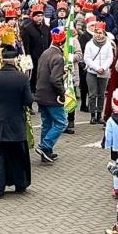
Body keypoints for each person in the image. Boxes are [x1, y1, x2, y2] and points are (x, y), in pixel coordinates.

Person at [0, 47, 33, 198]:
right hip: (16, 123)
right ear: (16, 59)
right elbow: (28, 100)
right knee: (18, 155)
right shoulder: (22, 78)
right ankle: (20, 184)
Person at [34, 27, 69, 164]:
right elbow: (55, 79)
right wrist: (62, 93)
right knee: (61, 122)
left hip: (40, 94)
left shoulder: (45, 53)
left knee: (46, 123)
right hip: (52, 96)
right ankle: (45, 146)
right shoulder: (58, 57)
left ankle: (46, 152)